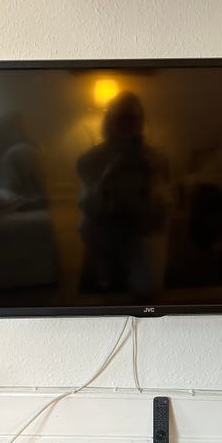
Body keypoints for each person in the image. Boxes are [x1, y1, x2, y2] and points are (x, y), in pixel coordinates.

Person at [77, 92, 169, 293]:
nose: (128, 124)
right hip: (106, 225)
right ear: (109, 120)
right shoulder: (89, 160)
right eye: (121, 117)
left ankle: (131, 263)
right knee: (86, 225)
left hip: (141, 228)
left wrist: (151, 183)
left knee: (147, 289)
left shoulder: (156, 159)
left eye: (133, 118)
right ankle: (106, 266)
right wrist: (109, 177)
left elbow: (161, 214)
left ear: (141, 121)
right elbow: (87, 207)